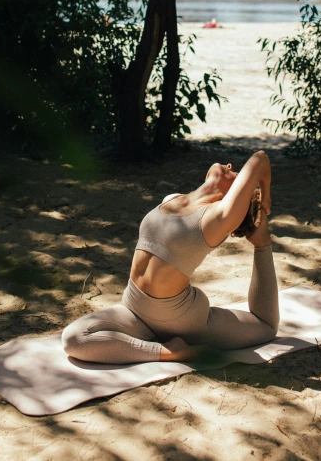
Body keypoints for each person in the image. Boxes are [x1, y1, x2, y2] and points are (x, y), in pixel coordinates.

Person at [61, 150, 279, 364]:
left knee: (266, 327)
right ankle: (168, 351)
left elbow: (260, 159)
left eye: (238, 174)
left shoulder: (219, 217)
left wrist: (264, 198)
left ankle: (263, 243)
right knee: (74, 339)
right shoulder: (173, 199)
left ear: (236, 196)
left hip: (181, 320)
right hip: (134, 309)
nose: (231, 167)